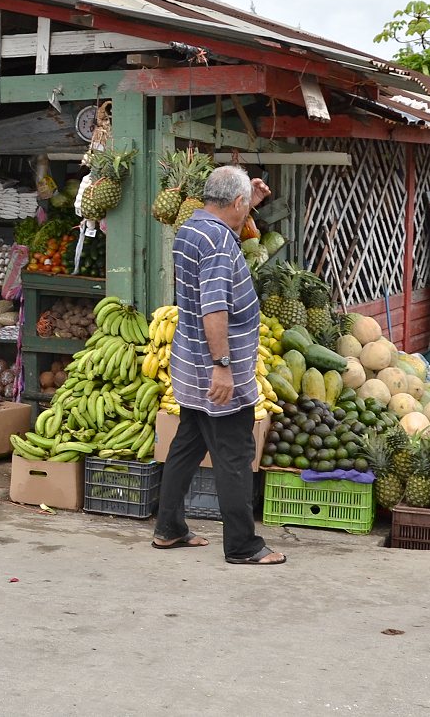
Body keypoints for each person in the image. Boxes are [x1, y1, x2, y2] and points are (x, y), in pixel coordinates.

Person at [152, 164, 286, 565]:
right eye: (246, 204)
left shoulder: (193, 226)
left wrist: (250, 203)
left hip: (188, 363)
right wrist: (223, 366)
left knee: (188, 444)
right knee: (234, 453)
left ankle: (168, 528)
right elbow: (214, 309)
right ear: (237, 202)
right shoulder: (216, 242)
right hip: (213, 369)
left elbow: (228, 227)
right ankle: (243, 546)